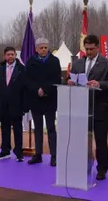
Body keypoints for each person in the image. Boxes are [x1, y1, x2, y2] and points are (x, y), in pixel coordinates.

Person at [68, 35, 108, 180]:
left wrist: (99, 84)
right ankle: (82, 165)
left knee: (101, 140)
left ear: (97, 47)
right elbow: (71, 78)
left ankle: (102, 168)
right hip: (81, 106)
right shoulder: (78, 63)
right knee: (81, 139)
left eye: (91, 49)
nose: (88, 52)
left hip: (99, 106)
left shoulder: (107, 63)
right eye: (86, 49)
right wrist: (70, 81)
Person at [25, 38, 62, 166]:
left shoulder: (54, 61)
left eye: (46, 47)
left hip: (50, 99)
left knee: (51, 128)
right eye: (41, 47)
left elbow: (56, 78)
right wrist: (37, 89)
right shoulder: (30, 62)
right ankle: (38, 154)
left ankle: (54, 155)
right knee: (38, 128)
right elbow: (27, 80)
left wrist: (45, 89)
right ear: (36, 49)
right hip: (35, 100)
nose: (44, 50)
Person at [0, 47, 28, 162]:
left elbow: (25, 89)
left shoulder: (22, 69)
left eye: (12, 54)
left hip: (17, 104)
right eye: (8, 54)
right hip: (3, 104)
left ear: (15, 56)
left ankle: (18, 152)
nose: (10, 56)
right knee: (5, 129)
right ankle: (5, 151)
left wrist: (24, 106)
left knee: (17, 129)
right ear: (4, 56)